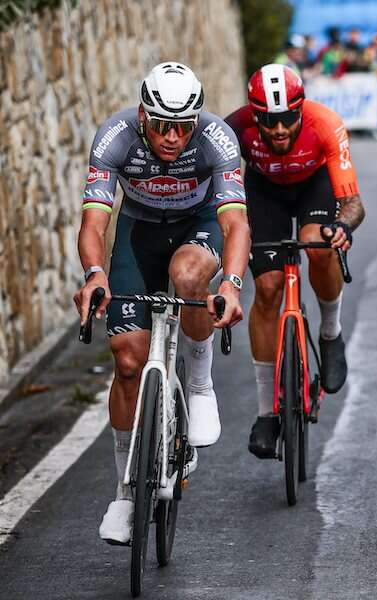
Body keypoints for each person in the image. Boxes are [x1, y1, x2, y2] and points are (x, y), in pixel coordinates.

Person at [75, 62, 249, 545]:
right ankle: (126, 494)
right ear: (142, 115)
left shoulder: (216, 138)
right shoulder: (115, 137)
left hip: (198, 226)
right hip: (139, 233)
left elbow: (236, 224)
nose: (171, 138)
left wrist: (231, 284)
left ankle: (198, 382)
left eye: (182, 127)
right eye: (160, 126)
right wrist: (95, 276)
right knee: (128, 361)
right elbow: (94, 223)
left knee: (188, 275)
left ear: (196, 119)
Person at [226, 65, 365, 458]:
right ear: (254, 115)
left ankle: (330, 332)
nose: (280, 129)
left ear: (301, 109)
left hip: (314, 188)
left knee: (318, 247)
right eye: (269, 121)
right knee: (267, 288)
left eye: (288, 117)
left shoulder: (325, 123)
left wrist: (342, 225)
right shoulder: (234, 127)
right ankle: (266, 412)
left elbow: (354, 202)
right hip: (263, 192)